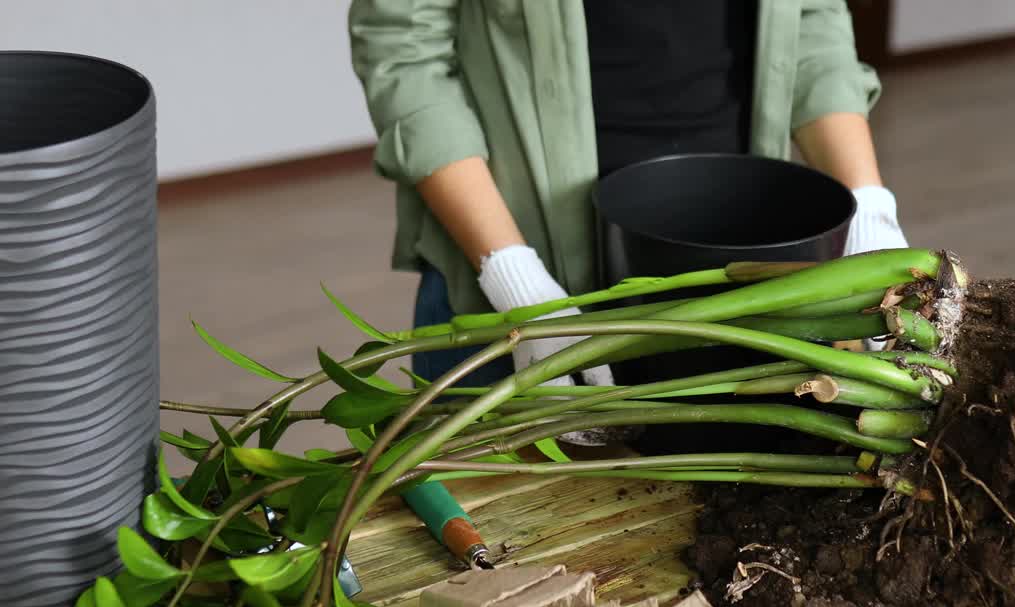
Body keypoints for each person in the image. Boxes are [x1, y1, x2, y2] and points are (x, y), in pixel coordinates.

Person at [348, 0, 908, 393]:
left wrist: (870, 208)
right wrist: (514, 279)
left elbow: (812, 20)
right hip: (511, 256)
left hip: (739, 259)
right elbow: (405, 53)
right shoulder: (514, 282)